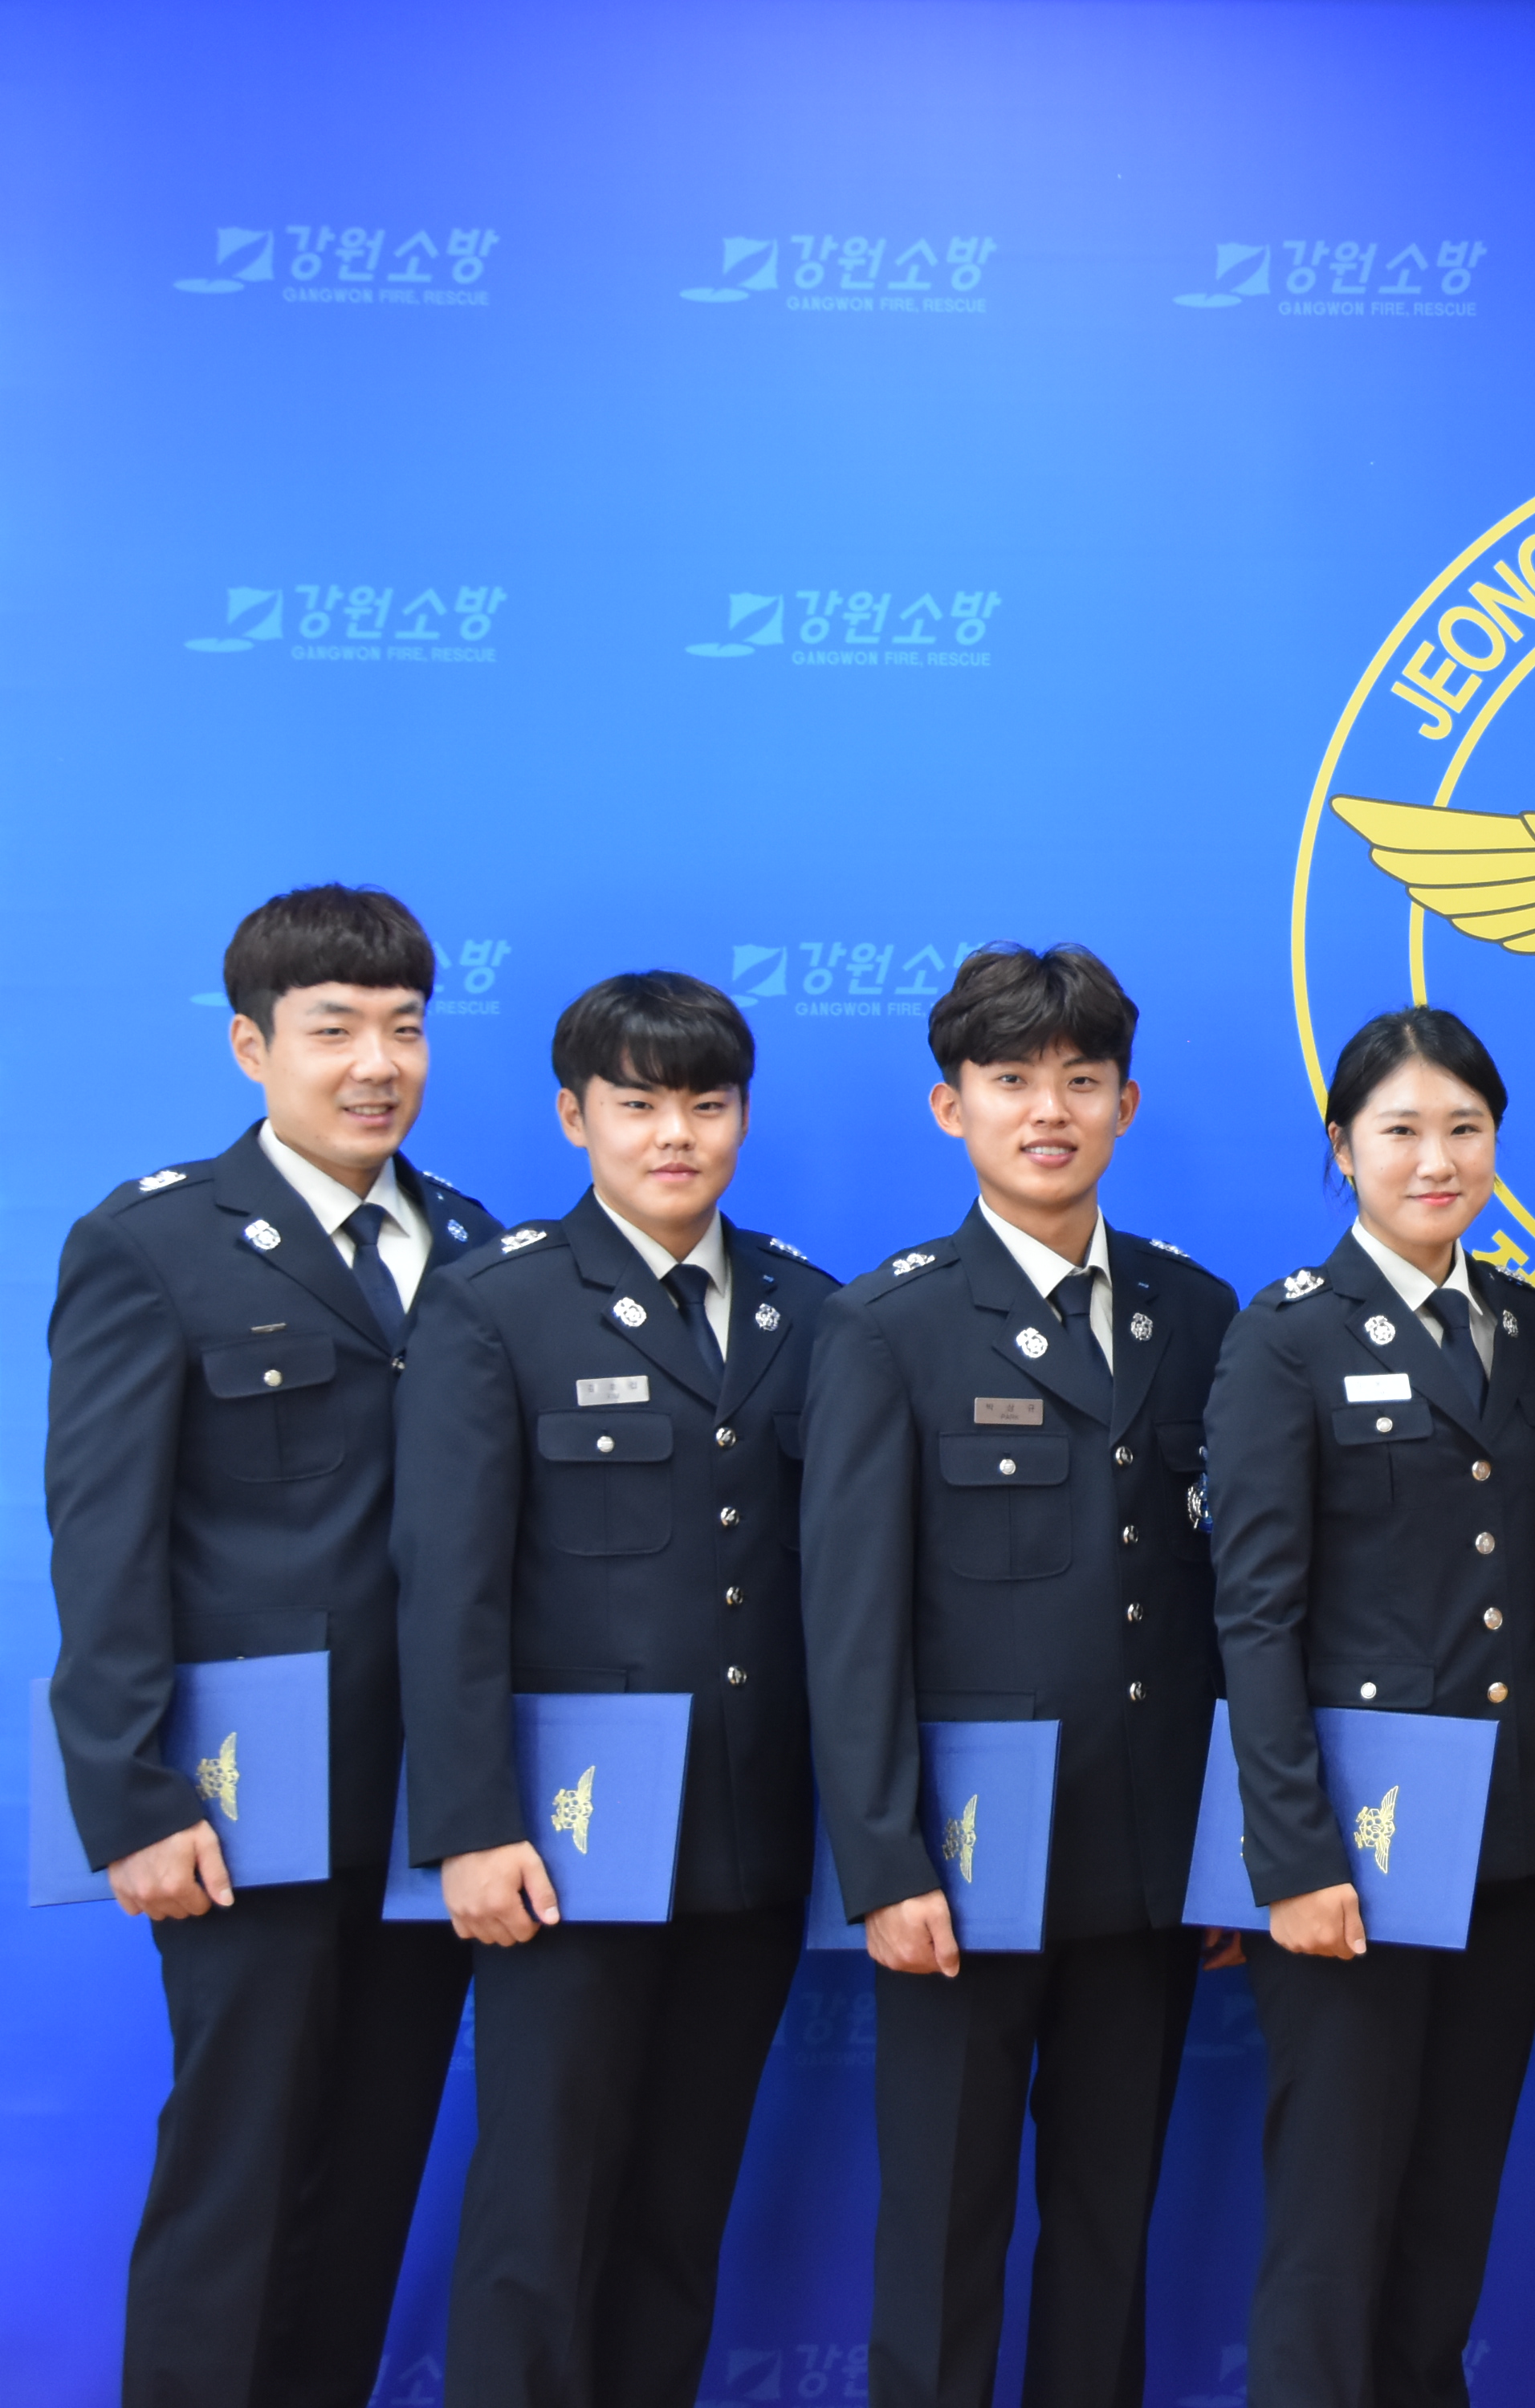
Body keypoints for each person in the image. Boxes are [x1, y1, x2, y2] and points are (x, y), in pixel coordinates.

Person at [43, 883, 501, 2408]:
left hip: (436, 1805)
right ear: (253, 1046)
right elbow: (104, 1539)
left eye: (405, 1029)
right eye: (334, 1030)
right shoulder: (152, 1244)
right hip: (245, 1804)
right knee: (236, 2175)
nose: (376, 1064)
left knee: (370, 2179)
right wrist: (130, 1793)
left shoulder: (475, 1244)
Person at [798, 944, 1241, 2408]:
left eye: (1080, 1080)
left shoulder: (1197, 1314)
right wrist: (884, 1862)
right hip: (963, 1869)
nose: (1048, 1111)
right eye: (1010, 1081)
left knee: (1109, 2232)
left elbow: (1226, 1606)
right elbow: (850, 1622)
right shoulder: (889, 1325)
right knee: (942, 2227)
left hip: (1146, 1868)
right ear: (952, 1107)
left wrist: (1225, 1856)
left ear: (1126, 1102)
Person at [392, 971, 837, 2406]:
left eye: (707, 1104)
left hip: (748, 1846)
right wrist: (471, 1825)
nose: (675, 1136)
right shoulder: (495, 1307)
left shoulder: (810, 1309)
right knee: (540, 2212)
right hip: (562, 1846)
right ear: (574, 1117)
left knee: (676, 2218)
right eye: (638, 1105)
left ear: (744, 1118)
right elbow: (447, 1589)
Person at [1207, 1007, 1535, 2406]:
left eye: (1465, 1129)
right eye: (1401, 1131)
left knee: (1449, 2208)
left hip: (1508, 1839)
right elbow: (1255, 1616)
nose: (1436, 1160)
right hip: (1353, 1847)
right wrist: (1291, 1856)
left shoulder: (1528, 1324)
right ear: (1343, 1148)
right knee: (1334, 2221)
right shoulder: (1284, 1338)